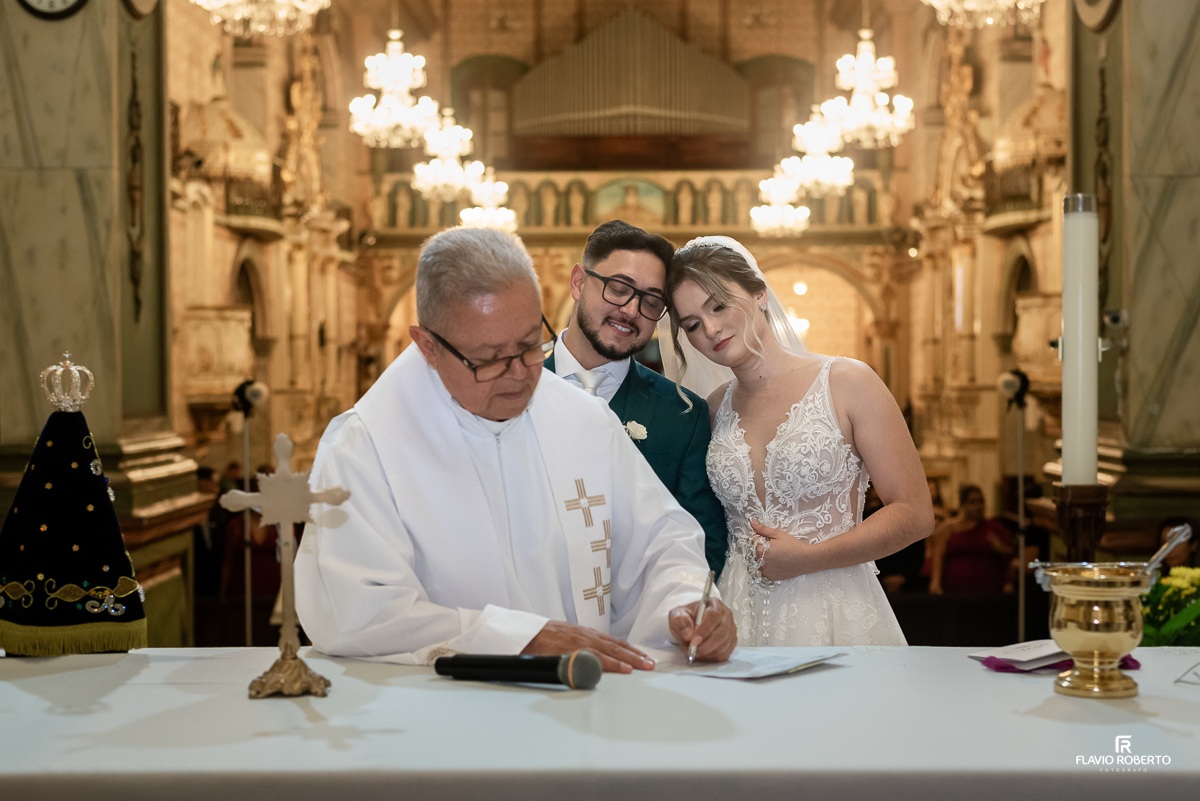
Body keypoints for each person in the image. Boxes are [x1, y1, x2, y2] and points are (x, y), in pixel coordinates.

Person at [294, 226, 736, 671]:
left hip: (579, 702)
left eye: (528, 345)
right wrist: (517, 639)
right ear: (428, 345)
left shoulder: (582, 419)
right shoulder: (365, 447)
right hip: (433, 712)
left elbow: (661, 542)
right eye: (488, 358)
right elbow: (356, 608)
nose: (520, 375)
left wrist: (687, 602)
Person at [663, 237, 933, 646]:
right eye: (693, 325)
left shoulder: (847, 382)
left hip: (832, 608)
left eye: (718, 305)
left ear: (760, 293)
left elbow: (915, 514)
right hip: (737, 612)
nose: (711, 329)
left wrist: (808, 558)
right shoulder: (713, 408)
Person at [546, 220, 727, 576]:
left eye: (650, 300)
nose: (631, 311)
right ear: (579, 282)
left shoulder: (682, 414)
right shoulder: (515, 390)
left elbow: (701, 546)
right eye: (618, 288)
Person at [929, 485, 1014, 596]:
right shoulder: (949, 527)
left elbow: (1009, 555)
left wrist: (999, 547)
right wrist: (935, 582)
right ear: (963, 505)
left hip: (989, 591)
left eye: (981, 501)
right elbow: (938, 556)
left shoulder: (993, 527)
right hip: (955, 590)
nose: (978, 506)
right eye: (972, 502)